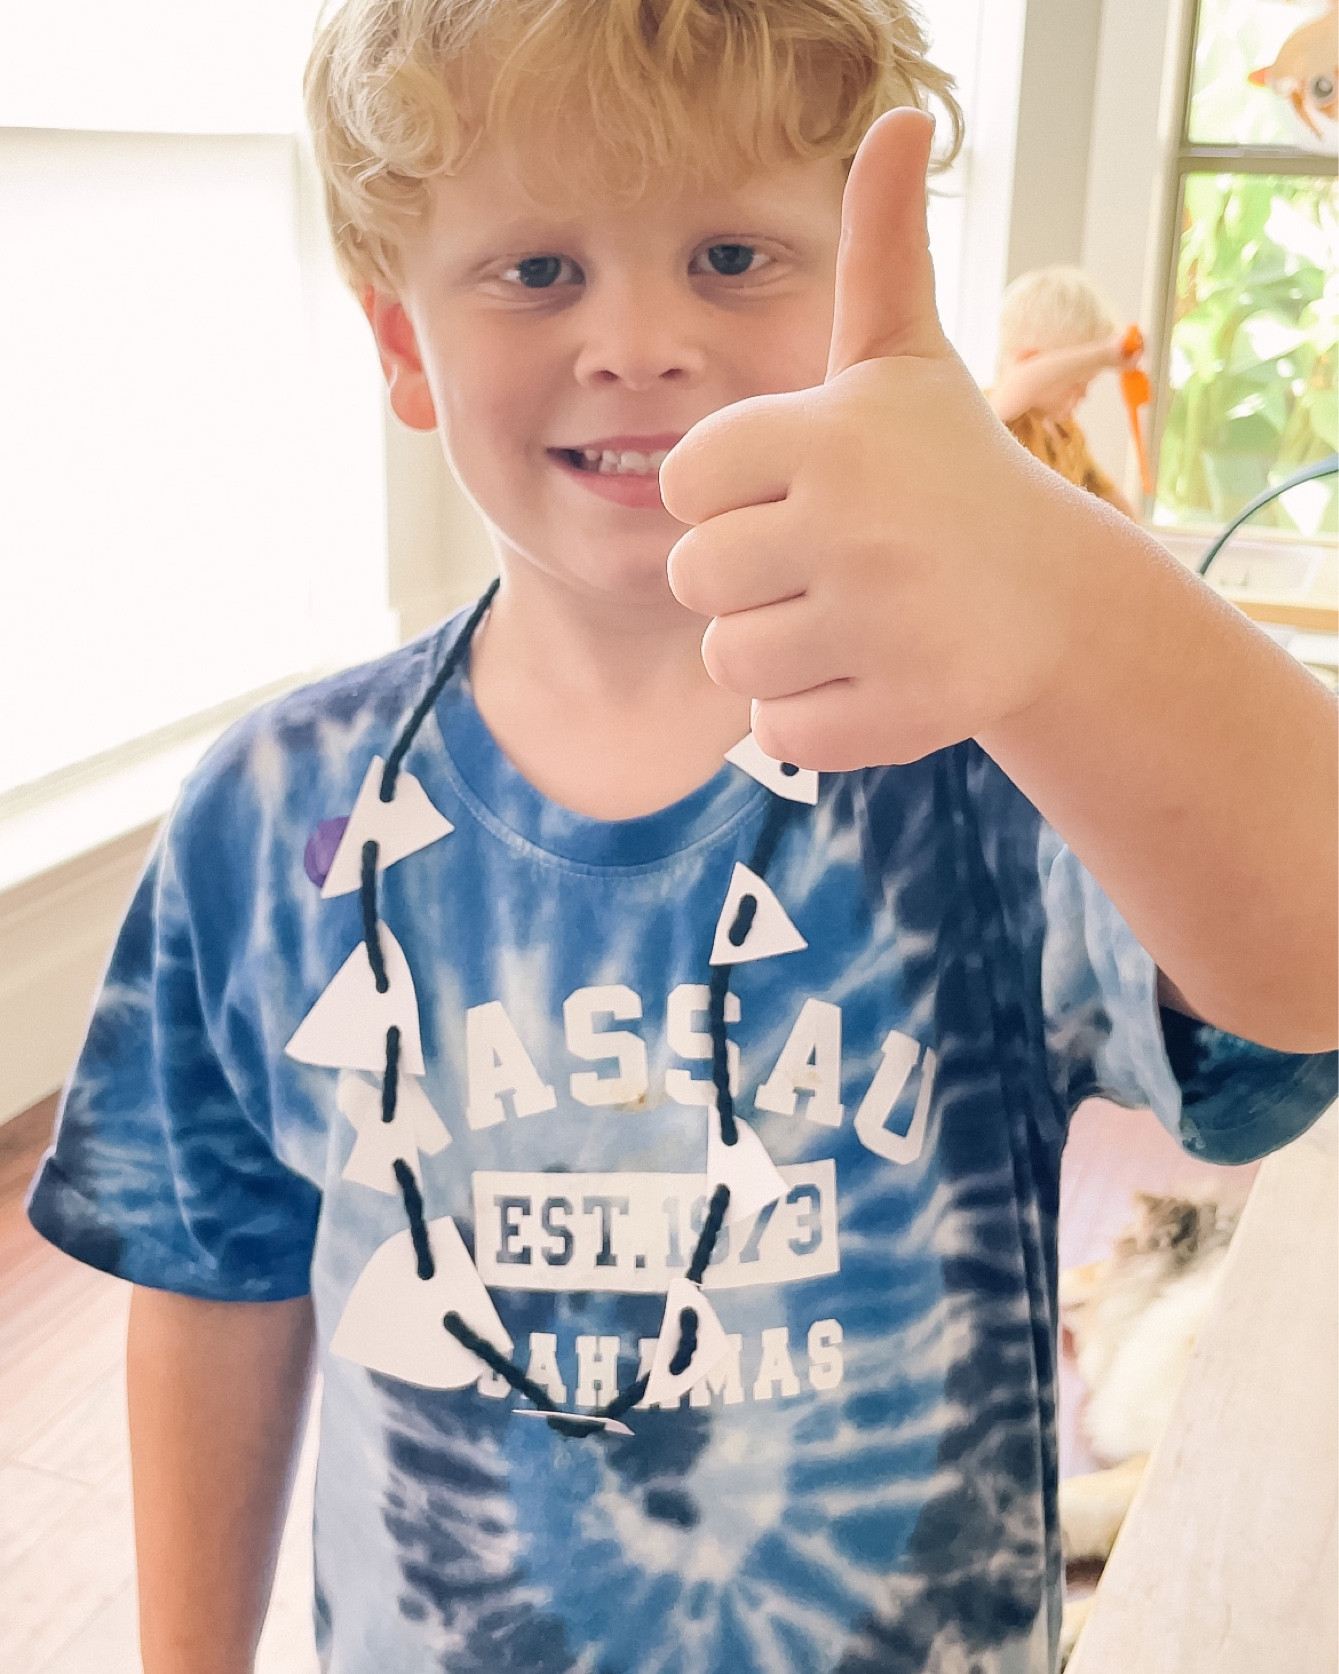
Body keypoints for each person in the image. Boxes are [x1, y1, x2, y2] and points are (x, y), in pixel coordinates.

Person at [25, 3, 1337, 1672]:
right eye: (534, 271)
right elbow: (211, 1271)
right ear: (401, 344)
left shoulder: (993, 770)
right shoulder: (274, 814)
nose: (637, 339)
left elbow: (1301, 972)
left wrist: (1050, 566)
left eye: (729, 255)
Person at [989, 266, 1142, 516]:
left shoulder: (1067, 433)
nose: (1084, 394)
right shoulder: (1002, 417)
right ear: (1031, 362)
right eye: (1077, 381)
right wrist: (1103, 354)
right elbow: (1023, 379)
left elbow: (1112, 503)